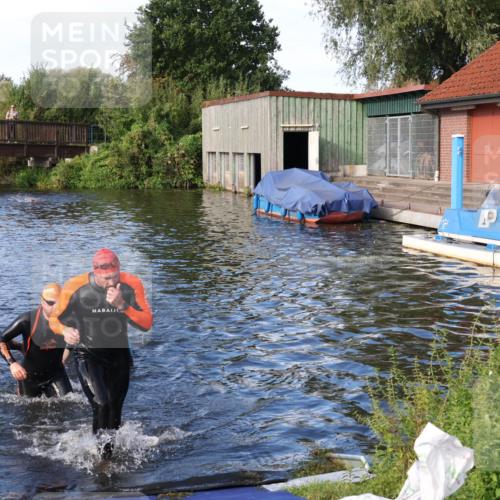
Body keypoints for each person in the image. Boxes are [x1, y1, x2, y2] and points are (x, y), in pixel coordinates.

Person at [49, 249, 153, 443]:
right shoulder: (75, 286)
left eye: (114, 276)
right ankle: (99, 457)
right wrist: (64, 331)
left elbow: (146, 323)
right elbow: (54, 319)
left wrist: (123, 305)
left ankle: (107, 454)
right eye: (105, 278)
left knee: (114, 409)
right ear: (95, 272)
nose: (111, 282)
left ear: (119, 269)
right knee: (101, 403)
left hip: (119, 355)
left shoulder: (132, 284)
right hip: (87, 354)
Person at [0, 283, 72, 398]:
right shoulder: (27, 320)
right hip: (29, 377)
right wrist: (12, 363)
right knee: (29, 411)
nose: (55, 308)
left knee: (69, 407)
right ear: (42, 301)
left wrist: (64, 358)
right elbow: (1, 340)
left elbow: (75, 341)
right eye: (50, 303)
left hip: (56, 374)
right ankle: (21, 347)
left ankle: (21, 347)